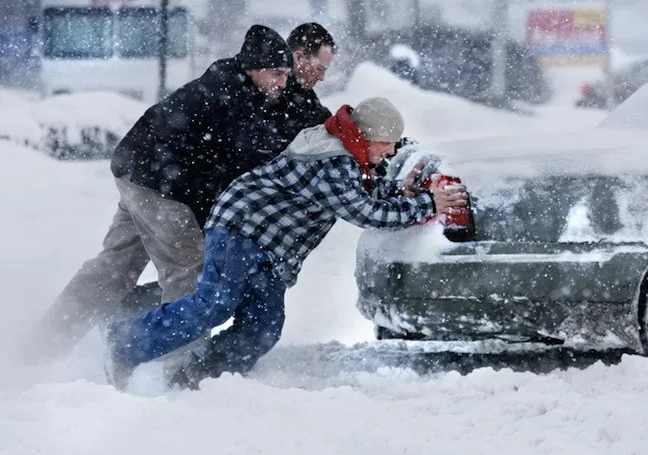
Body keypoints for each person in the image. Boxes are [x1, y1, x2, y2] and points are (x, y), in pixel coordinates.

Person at [105, 97, 469, 390]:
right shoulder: (334, 159)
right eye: (388, 145)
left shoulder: (348, 150)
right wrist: (428, 204)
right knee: (213, 305)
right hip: (240, 228)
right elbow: (364, 211)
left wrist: (403, 193)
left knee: (262, 326)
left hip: (269, 249)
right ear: (371, 137)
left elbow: (364, 188)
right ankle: (124, 343)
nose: (389, 153)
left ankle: (199, 379)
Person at [23, 24, 334, 364]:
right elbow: (254, 150)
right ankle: (173, 368)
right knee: (192, 274)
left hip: (140, 172)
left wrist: (351, 139)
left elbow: (308, 125)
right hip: (160, 185)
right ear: (260, 66)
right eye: (316, 68)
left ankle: (40, 348)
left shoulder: (262, 87)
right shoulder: (235, 94)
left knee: (114, 269)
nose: (285, 81)